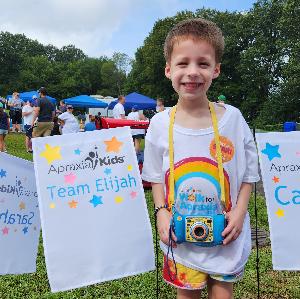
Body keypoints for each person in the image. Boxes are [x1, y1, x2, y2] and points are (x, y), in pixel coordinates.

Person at [142, 18, 260, 299]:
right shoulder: (159, 124)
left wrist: (240, 212)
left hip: (226, 235)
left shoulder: (232, 118)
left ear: (216, 70)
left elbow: (249, 174)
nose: (192, 72)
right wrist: (161, 213)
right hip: (180, 240)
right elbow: (156, 176)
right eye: (183, 63)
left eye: (203, 64)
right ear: (169, 69)